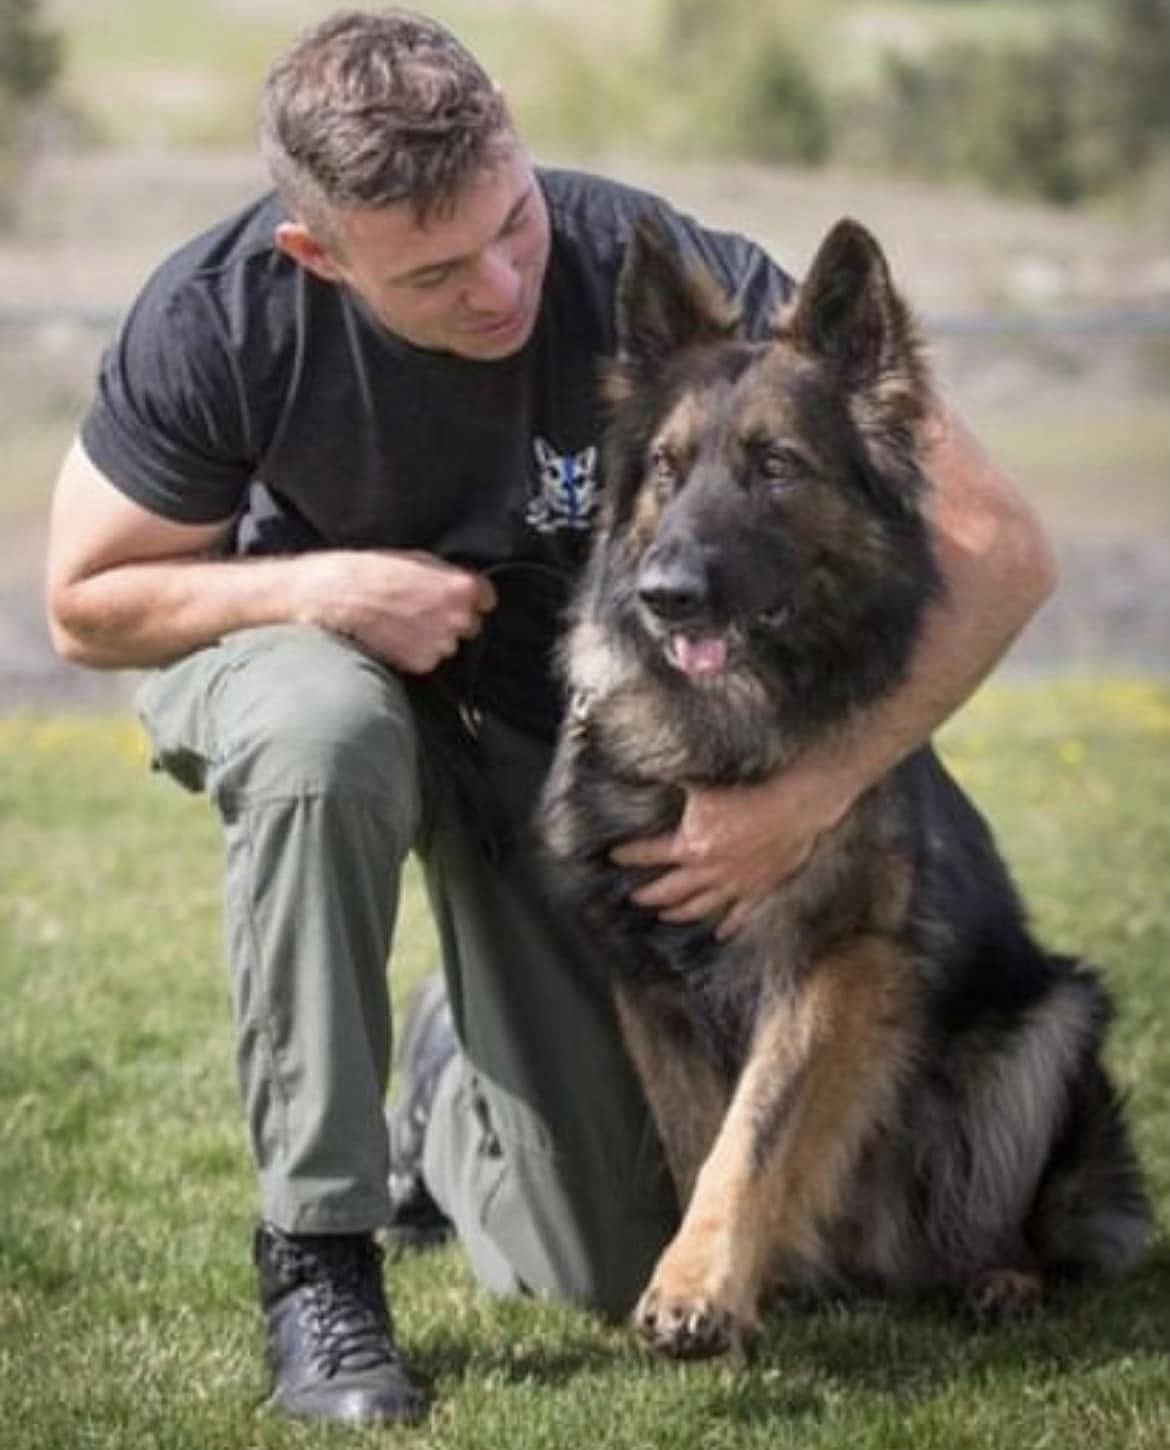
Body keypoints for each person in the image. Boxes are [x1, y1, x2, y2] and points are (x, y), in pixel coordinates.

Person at [43, 6, 1058, 1428]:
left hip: (545, 736)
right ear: (317, 253)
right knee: (324, 735)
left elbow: (1000, 544)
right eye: (437, 270)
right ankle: (318, 1255)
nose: (504, 280)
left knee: (595, 1256)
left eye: (510, 221)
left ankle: (449, 1092)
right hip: (308, 663)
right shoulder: (220, 314)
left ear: (514, 130)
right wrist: (329, 584)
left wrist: (809, 788)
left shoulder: (648, 261)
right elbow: (84, 603)